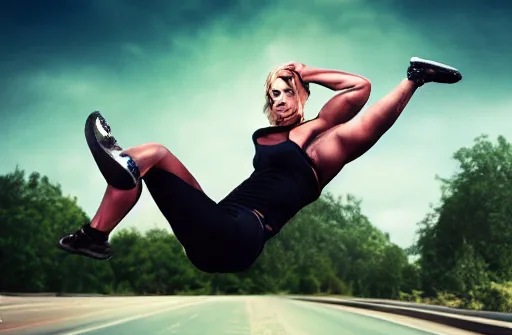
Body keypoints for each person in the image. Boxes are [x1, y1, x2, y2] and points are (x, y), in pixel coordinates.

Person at [58, 57, 462, 273]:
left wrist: (304, 71)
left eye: (287, 92)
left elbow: (360, 88)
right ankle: (95, 235)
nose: (280, 100)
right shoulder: (266, 137)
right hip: (213, 231)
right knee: (152, 157)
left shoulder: (324, 140)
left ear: (303, 93)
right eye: (274, 95)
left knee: (346, 136)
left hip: (241, 234)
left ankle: (415, 78)